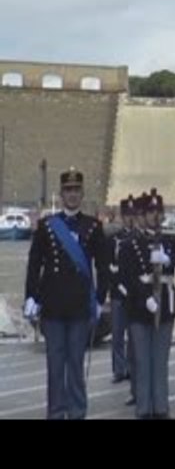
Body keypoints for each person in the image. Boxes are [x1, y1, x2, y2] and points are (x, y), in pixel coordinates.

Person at [23, 167, 109, 420]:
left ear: (82, 194)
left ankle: (77, 412)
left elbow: (103, 267)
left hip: (79, 306)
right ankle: (56, 412)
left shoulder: (93, 227)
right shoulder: (47, 226)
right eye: (68, 190)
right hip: (52, 306)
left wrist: (100, 299)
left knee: (75, 364)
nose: (72, 195)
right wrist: (30, 296)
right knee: (54, 365)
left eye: (76, 190)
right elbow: (34, 262)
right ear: (61, 194)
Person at [119, 190, 175, 419]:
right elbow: (125, 276)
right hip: (140, 305)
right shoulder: (130, 243)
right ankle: (144, 408)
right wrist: (144, 297)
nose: (155, 216)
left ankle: (161, 408)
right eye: (149, 212)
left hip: (166, 303)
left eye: (158, 211)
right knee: (142, 361)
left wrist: (170, 259)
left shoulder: (170, 240)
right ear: (141, 216)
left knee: (160, 360)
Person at [109, 195, 137, 384]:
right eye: (126, 214)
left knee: (134, 335)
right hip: (118, 292)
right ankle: (119, 370)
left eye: (132, 214)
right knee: (117, 334)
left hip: (135, 293)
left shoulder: (139, 237)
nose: (129, 218)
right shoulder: (114, 239)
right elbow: (108, 265)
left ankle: (132, 368)